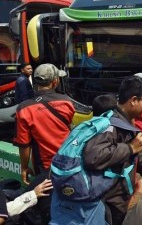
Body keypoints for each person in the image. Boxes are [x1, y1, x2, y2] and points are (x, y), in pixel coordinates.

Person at [82, 76, 142, 225]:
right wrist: (130, 147)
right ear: (133, 100)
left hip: (119, 196)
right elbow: (93, 157)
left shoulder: (125, 121)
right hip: (109, 200)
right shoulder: (110, 124)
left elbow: (139, 153)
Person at [13, 63, 75, 224]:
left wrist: (24, 167)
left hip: (46, 167)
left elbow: (24, 144)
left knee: (49, 205)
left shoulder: (24, 109)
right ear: (55, 82)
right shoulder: (67, 103)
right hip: (70, 162)